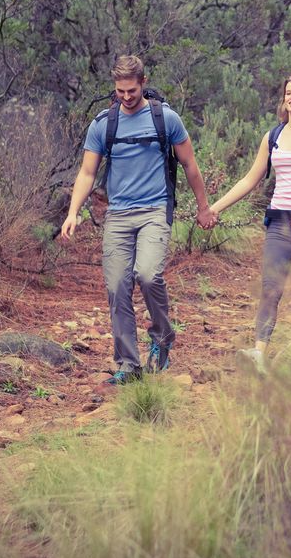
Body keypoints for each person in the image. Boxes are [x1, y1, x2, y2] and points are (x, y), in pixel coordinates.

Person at [61, 55, 213, 385]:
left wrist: (203, 208)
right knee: (117, 286)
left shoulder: (166, 119)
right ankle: (129, 365)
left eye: (131, 90)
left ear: (143, 83)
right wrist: (73, 212)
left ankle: (161, 339)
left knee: (147, 274)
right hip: (119, 214)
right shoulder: (104, 124)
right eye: (120, 91)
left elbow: (190, 165)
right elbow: (87, 172)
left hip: (155, 210)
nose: (126, 97)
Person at [201, 72, 291, 372]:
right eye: (288, 92)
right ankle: (259, 353)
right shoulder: (272, 136)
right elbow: (250, 179)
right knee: (271, 288)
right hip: (279, 221)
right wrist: (216, 208)